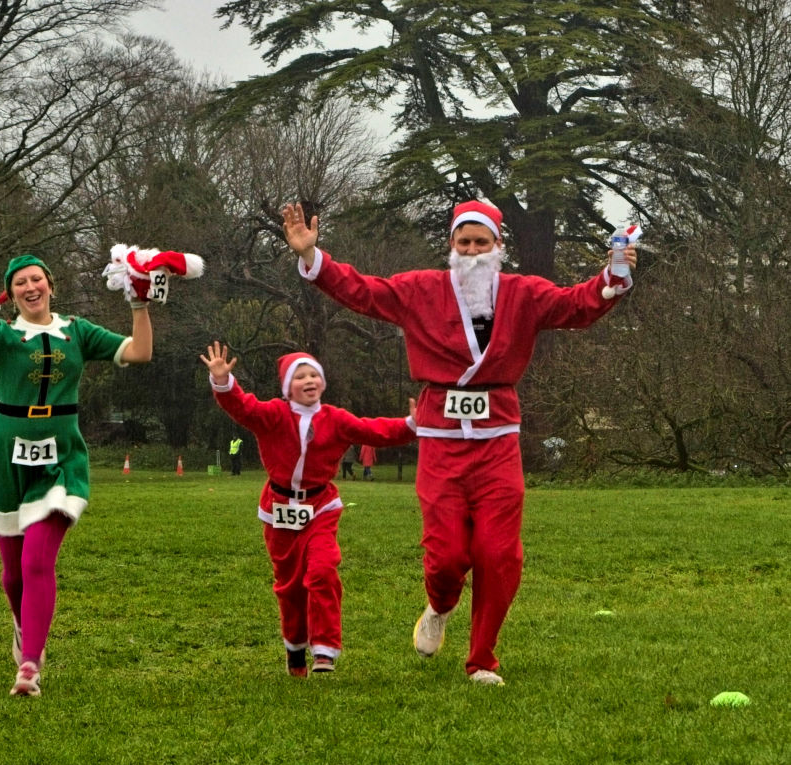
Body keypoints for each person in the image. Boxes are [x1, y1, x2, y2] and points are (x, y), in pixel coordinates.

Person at [282, 199, 638, 685]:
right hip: (441, 440)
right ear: (451, 245)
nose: (472, 251)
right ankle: (440, 604)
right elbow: (363, 292)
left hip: (498, 441)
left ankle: (482, 658)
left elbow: (576, 305)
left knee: (499, 552)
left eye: (481, 242)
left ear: (498, 247)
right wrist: (311, 257)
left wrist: (611, 278)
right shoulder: (420, 290)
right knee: (447, 554)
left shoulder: (523, 294)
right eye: (464, 242)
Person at [0, 253, 154, 697]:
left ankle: (29, 665)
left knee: (36, 561)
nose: (31, 288)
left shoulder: (79, 332)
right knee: (12, 575)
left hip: (61, 459)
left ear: (51, 285)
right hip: (4, 459)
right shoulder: (0, 336)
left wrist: (139, 303)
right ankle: (24, 624)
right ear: (9, 295)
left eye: (37, 280)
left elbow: (140, 352)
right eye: (20, 283)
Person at [200, 341, 416, 676]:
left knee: (322, 570)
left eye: (314, 374)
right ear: (288, 388)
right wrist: (223, 382)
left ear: (323, 382)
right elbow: (242, 407)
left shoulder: (336, 419)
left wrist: (410, 425)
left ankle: (325, 652)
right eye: (300, 376)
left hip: (321, 507)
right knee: (289, 586)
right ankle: (295, 649)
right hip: (280, 509)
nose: (309, 380)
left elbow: (372, 430)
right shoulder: (273, 415)